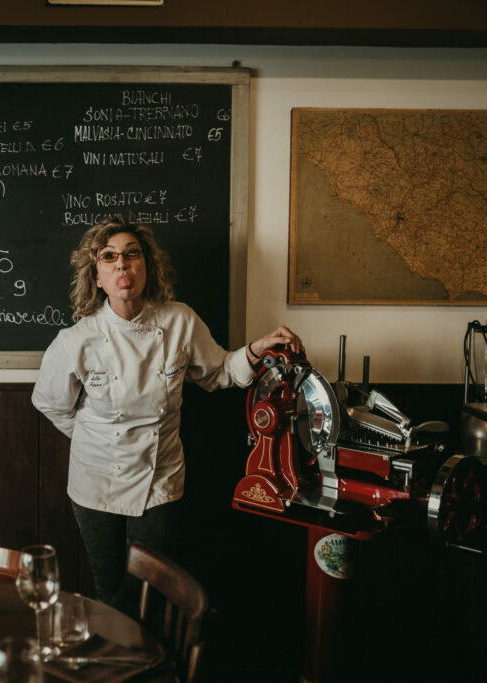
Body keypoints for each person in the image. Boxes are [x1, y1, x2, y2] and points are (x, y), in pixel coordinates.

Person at [31, 215, 304, 613]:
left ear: (146, 266)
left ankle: (136, 660)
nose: (122, 264)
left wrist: (257, 348)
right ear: (98, 276)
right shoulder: (76, 340)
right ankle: (122, 668)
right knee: (109, 589)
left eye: (131, 254)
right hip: (96, 480)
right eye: (109, 257)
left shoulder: (179, 321)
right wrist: (97, 439)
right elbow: (50, 403)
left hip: (161, 476)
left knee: (148, 590)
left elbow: (220, 373)